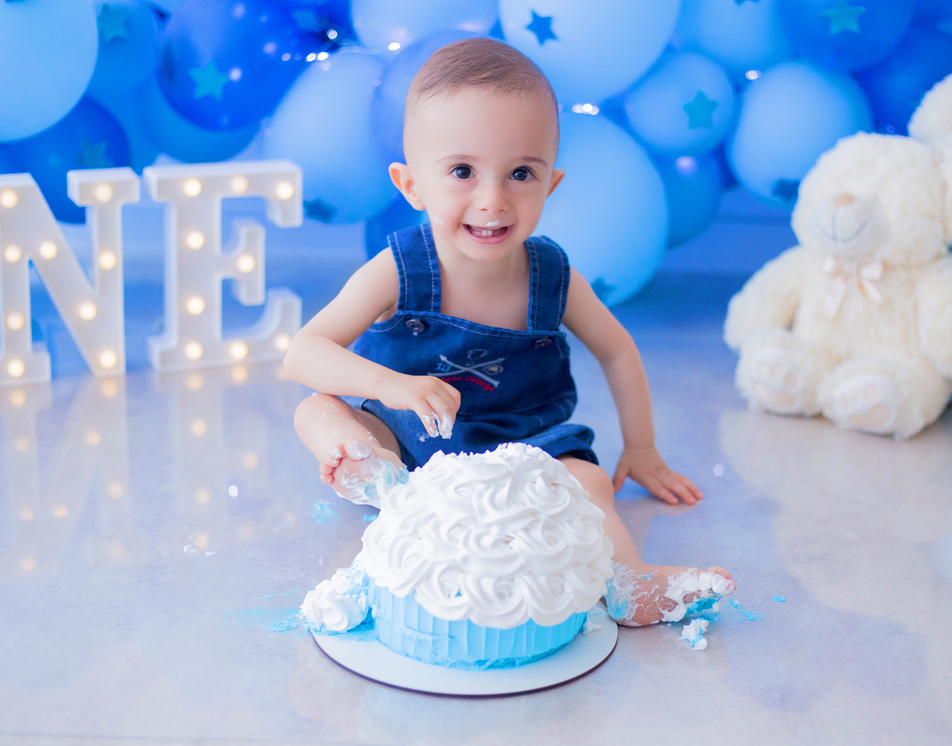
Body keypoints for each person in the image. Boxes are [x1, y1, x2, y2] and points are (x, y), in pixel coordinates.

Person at [284, 38, 733, 626]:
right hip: (409, 444)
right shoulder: (398, 269)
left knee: (589, 482)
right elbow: (302, 352)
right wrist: (391, 386)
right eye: (462, 171)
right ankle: (382, 484)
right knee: (317, 411)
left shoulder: (553, 277)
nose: (492, 201)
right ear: (411, 184)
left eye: (521, 173)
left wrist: (642, 451)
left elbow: (618, 351)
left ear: (551, 183)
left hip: (526, 453)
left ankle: (626, 583)